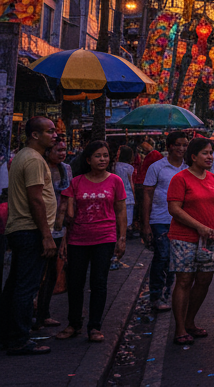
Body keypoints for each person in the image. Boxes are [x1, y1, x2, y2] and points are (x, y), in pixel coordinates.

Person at [55, 141, 126, 342]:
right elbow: (67, 214)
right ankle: (74, 323)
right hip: (77, 239)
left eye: (105, 155)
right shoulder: (76, 182)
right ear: (88, 159)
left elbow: (121, 211)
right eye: (97, 156)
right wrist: (63, 241)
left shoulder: (115, 181)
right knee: (75, 282)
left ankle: (94, 326)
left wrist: (122, 238)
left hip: (104, 238)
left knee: (99, 282)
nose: (102, 159)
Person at [0, 117, 59, 355]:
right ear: (35, 135)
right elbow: (35, 199)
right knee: (26, 287)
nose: (55, 135)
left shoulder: (23, 156)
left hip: (20, 229)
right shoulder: (33, 160)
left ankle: (8, 333)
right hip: (30, 230)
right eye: (50, 131)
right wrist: (46, 235)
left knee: (15, 285)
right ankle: (19, 339)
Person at [167, 138, 214, 346]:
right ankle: (180, 328)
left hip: (209, 239)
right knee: (184, 280)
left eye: (211, 153)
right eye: (205, 153)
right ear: (193, 157)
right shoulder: (180, 179)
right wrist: (199, 226)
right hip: (184, 238)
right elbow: (174, 208)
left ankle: (190, 321)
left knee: (204, 280)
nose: (210, 157)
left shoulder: (213, 179)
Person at [142, 132, 189, 312]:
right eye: (178, 144)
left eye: (185, 145)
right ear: (169, 146)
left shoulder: (188, 168)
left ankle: (166, 294)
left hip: (181, 220)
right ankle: (156, 294)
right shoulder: (157, 167)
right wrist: (145, 224)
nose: (181, 149)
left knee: (174, 260)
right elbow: (147, 194)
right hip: (159, 219)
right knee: (162, 256)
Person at [34, 137, 71, 330]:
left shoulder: (66, 169)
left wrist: (62, 228)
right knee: (36, 273)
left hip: (58, 227)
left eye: (64, 150)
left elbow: (66, 198)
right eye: (58, 150)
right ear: (48, 151)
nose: (62, 153)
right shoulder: (39, 167)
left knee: (51, 273)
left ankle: (43, 313)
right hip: (39, 225)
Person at [115, 146, 136, 236]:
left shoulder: (115, 166)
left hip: (117, 193)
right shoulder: (129, 168)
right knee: (128, 214)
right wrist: (134, 194)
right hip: (128, 194)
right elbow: (131, 182)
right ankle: (128, 230)